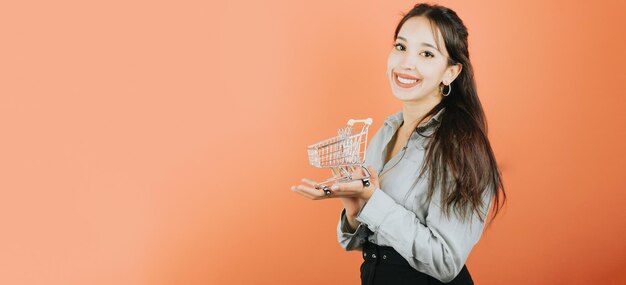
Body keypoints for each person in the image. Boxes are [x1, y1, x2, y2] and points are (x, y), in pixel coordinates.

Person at [291, 3, 506, 284]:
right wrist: (354, 207)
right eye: (401, 47)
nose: (406, 63)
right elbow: (361, 243)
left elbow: (445, 261)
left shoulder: (459, 146)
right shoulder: (386, 131)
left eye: (426, 53)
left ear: (450, 73)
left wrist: (373, 199)